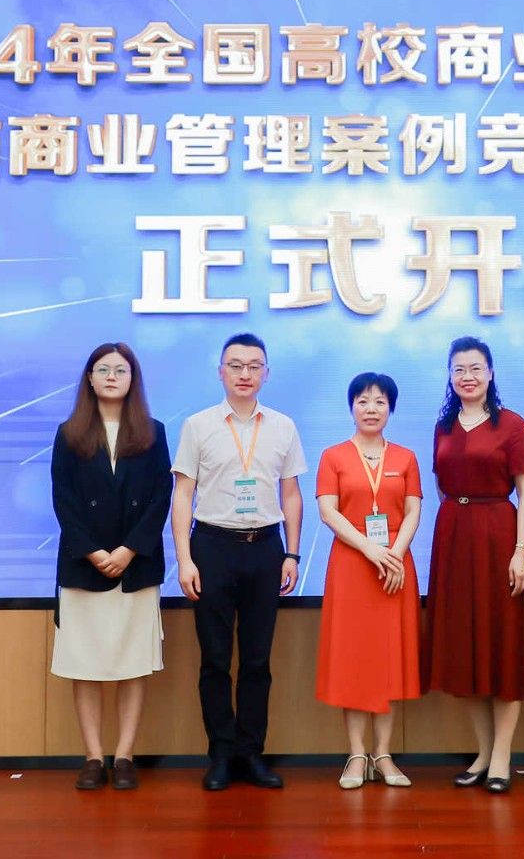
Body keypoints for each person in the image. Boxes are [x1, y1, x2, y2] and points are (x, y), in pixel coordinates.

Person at [171, 333, 306, 791]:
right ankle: (221, 754)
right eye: (236, 365)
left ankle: (251, 753)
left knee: (257, 659)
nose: (245, 374)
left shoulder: (283, 426)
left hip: (265, 548)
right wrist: (185, 560)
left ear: (266, 373)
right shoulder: (198, 426)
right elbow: (182, 494)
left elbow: (291, 493)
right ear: (221, 372)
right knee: (214, 659)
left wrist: (291, 553)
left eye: (254, 366)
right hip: (212, 547)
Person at [49, 342, 172, 792]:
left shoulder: (154, 432)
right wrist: (94, 552)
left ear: (133, 378)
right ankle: (92, 756)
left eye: (121, 370)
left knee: (132, 663)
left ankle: (124, 756)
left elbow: (161, 498)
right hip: (84, 567)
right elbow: (63, 500)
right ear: (89, 377)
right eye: (103, 369)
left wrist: (129, 550)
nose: (112, 377)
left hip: (136, 567)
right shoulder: (68, 433)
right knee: (84, 664)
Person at [422, 336, 524, 794]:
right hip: (453, 536)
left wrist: (521, 550)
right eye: (458, 369)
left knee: (501, 643)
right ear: (450, 376)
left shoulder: (513, 424)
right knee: (462, 647)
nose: (467, 376)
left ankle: (503, 756)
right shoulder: (443, 425)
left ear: (491, 372)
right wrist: (457, 518)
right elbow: (440, 485)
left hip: (498, 533)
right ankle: (484, 753)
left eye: (475, 368)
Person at [315, 372, 423, 790]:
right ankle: (357, 755)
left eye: (380, 401)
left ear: (390, 409)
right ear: (351, 407)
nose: (371, 408)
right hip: (352, 564)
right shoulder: (333, 456)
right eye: (362, 401)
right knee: (354, 660)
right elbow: (329, 511)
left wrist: (394, 552)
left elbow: (412, 511)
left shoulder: (406, 458)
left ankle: (384, 754)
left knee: (388, 660)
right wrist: (369, 548)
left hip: (394, 566)